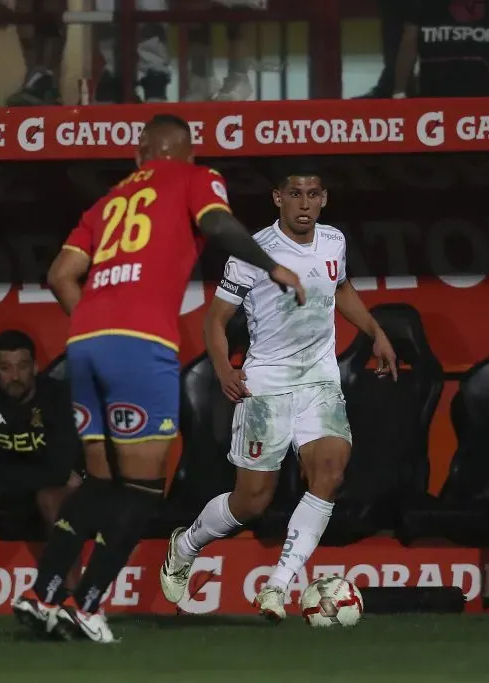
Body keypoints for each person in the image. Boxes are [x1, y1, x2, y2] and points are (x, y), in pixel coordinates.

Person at [11, 113, 304, 643]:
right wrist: (272, 266)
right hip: (139, 345)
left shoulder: (106, 202)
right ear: (186, 153)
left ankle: (42, 592)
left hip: (85, 343)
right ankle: (88, 604)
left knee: (101, 481)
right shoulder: (196, 178)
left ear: (139, 154)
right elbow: (216, 224)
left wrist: (97, 324)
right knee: (143, 487)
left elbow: (59, 275)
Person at [159, 171, 398, 620]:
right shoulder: (253, 252)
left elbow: (341, 287)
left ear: (324, 198)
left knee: (330, 472)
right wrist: (223, 367)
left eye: (312, 194)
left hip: (319, 381)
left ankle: (277, 587)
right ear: (278, 198)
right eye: (294, 194)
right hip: (266, 387)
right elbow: (215, 320)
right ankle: (186, 542)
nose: (304, 203)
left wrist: (375, 331)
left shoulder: (333, 241)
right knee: (252, 501)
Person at [0, 330, 83, 616]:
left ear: (35, 368)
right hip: (14, 491)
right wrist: (7, 485)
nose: (15, 376)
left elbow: (60, 469)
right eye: (6, 368)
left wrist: (1, 485)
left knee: (54, 498)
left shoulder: (57, 398)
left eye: (23, 366)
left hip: (47, 490)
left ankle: (73, 598)